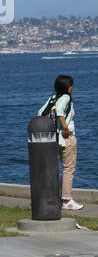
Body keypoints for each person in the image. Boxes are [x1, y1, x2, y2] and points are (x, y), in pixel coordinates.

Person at [39, 75, 82, 211]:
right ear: (68, 87)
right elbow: (59, 112)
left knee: (57, 168)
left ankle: (56, 197)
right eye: (71, 85)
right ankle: (66, 200)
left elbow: (40, 113)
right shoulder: (66, 98)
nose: (72, 87)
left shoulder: (53, 98)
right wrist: (65, 128)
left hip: (53, 139)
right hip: (65, 138)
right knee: (69, 168)